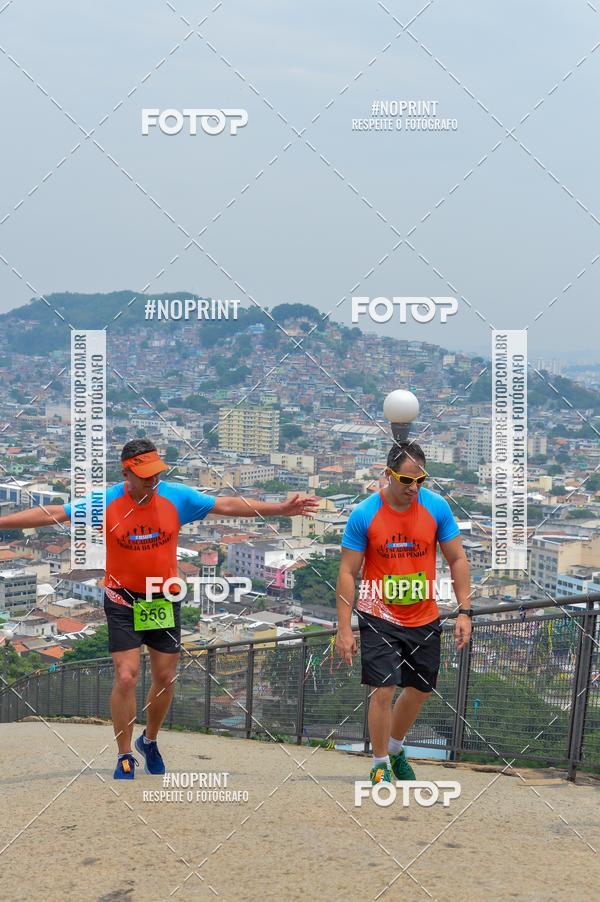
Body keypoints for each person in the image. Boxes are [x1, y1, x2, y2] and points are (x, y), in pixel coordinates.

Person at [0, 438, 318, 779]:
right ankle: (124, 754)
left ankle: (149, 740)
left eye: (156, 474)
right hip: (122, 596)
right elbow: (52, 514)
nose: (152, 481)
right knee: (126, 676)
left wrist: (280, 510)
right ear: (126, 473)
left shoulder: (176, 497)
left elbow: (226, 505)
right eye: (145, 475)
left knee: (165, 677)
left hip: (162, 596)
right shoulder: (105, 502)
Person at [335, 441, 472, 786]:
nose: (414, 488)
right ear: (387, 475)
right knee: (383, 689)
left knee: (420, 688)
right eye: (406, 480)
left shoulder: (436, 507)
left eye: (420, 480)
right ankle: (379, 763)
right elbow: (348, 572)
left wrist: (464, 611)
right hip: (378, 614)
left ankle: (395, 749)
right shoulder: (365, 513)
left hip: (424, 614)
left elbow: (457, 558)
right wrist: (344, 629)